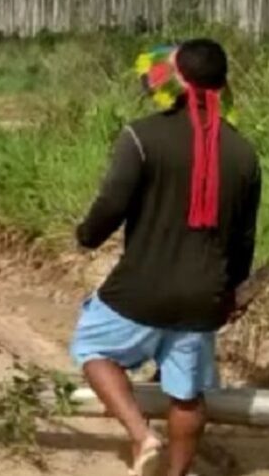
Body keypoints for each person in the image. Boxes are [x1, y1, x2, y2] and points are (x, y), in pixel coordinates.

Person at [70, 39, 261, 476]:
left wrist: (87, 238)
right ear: (224, 84)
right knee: (186, 393)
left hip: (140, 290)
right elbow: (243, 239)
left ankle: (143, 435)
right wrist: (230, 293)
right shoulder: (244, 154)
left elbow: (112, 203)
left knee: (91, 347)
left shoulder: (142, 136)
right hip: (203, 297)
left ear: (175, 80)